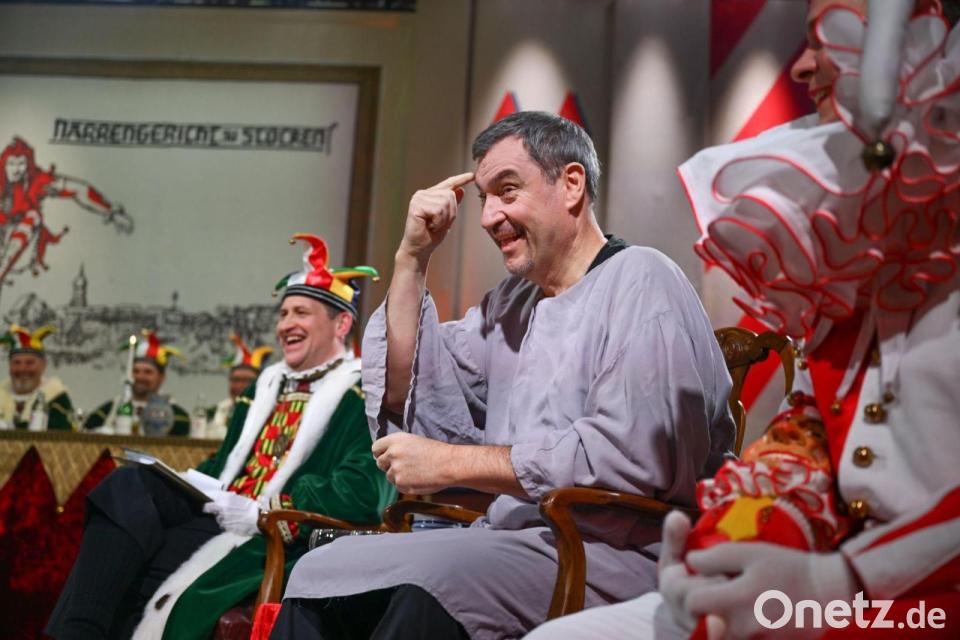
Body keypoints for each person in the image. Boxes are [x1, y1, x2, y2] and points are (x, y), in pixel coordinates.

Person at [527, 0, 960, 637]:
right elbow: (807, 439)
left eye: (829, 36)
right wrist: (725, 549)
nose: (803, 67)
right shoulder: (862, 256)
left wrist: (847, 582)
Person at [270, 111, 735, 640]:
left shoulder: (642, 278)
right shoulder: (515, 302)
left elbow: (632, 454)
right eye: (484, 199)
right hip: (515, 541)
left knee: (434, 581)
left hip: (614, 551)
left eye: (507, 191)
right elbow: (409, 383)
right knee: (319, 571)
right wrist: (412, 258)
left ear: (572, 184)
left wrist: (450, 462)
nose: (490, 217)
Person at [46, 233, 393, 639]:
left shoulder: (361, 394)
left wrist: (265, 510)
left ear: (342, 323)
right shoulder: (263, 388)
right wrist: (189, 480)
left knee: (132, 563)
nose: (285, 325)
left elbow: (362, 490)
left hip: (271, 534)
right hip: (220, 513)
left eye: (301, 312)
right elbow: (226, 464)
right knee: (127, 485)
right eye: (282, 314)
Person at [83, 329, 192, 436]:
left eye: (148, 372)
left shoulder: (177, 416)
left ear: (161, 377)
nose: (140, 377)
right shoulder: (110, 409)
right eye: (135, 371)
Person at [0, 324, 75, 430]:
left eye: (29, 363)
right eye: (16, 363)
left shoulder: (57, 399)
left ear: (43, 365)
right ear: (9, 365)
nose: (22, 369)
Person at [201, 334, 273, 439]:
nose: (240, 386)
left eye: (247, 380)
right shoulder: (211, 414)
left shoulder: (270, 415)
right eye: (236, 380)